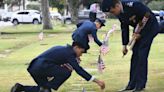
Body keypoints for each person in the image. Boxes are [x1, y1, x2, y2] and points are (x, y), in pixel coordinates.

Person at [102, 0, 159, 92]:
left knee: (142, 54)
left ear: (117, 5)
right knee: (135, 55)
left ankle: (140, 85)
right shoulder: (120, 13)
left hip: (150, 29)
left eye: (112, 11)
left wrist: (141, 34)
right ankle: (131, 84)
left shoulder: (134, 5)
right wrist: (124, 45)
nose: (114, 14)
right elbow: (124, 28)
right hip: (138, 30)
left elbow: (149, 18)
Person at [11, 42, 105, 92]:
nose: (80, 56)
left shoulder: (62, 48)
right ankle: (48, 86)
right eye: (81, 52)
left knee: (45, 90)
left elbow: (52, 60)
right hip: (42, 67)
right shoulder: (70, 53)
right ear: (76, 47)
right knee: (67, 72)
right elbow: (79, 70)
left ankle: (20, 88)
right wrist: (97, 81)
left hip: (34, 67)